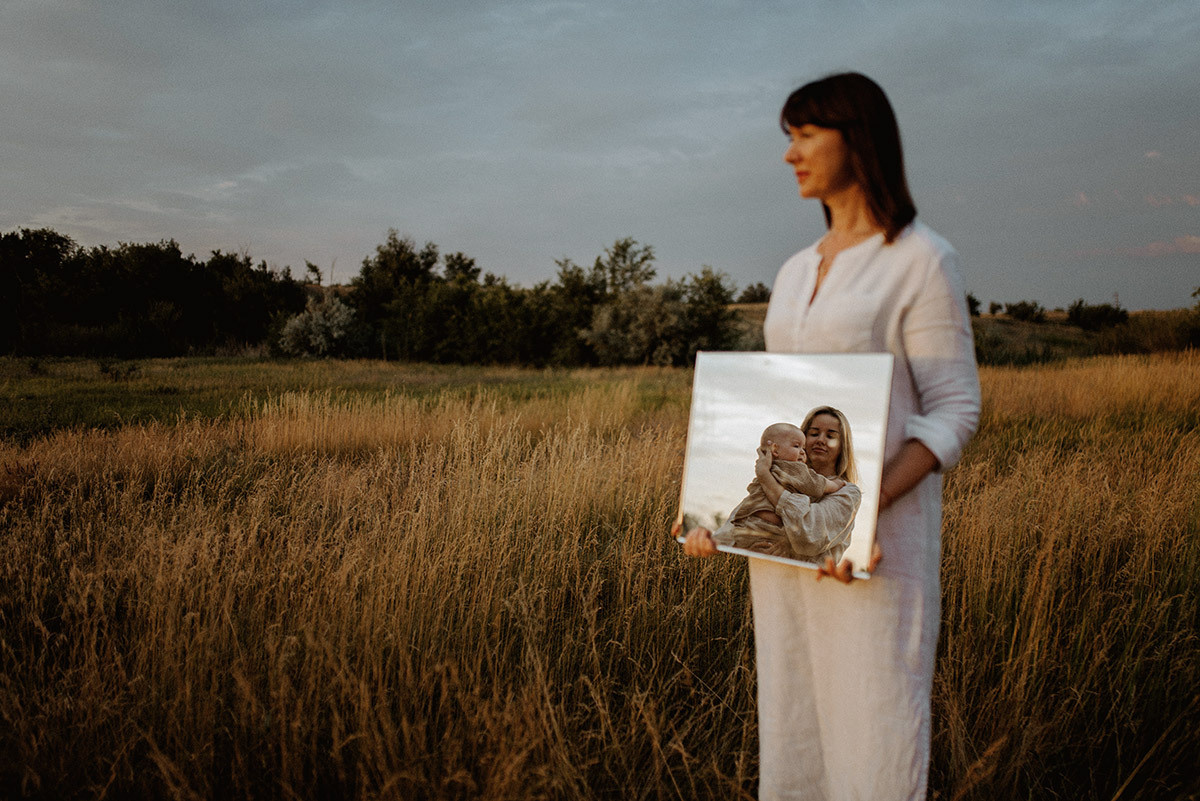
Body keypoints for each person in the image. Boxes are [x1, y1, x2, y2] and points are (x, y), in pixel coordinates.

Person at [679, 72, 980, 800]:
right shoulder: (792, 271)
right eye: (789, 137)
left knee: (874, 732)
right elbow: (776, 410)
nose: (791, 154)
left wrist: (859, 511)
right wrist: (715, 511)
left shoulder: (919, 258)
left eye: (807, 134)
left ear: (859, 136)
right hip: (783, 550)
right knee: (794, 728)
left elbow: (955, 409)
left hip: (873, 547)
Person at [712, 417, 860, 563]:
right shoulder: (783, 475)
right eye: (814, 434)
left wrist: (765, 477)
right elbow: (727, 533)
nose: (821, 440)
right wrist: (743, 549)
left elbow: (810, 536)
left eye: (830, 436)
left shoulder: (847, 492)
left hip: (800, 583)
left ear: (843, 446)